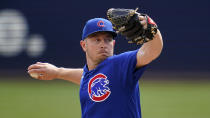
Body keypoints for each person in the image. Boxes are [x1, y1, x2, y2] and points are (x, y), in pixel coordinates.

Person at [28, 15, 163, 118]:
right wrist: (58, 72)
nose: (103, 44)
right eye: (96, 39)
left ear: (113, 44)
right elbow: (87, 77)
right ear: (83, 45)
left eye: (107, 39)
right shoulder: (90, 73)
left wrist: (153, 29)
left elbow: (150, 52)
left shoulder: (121, 65)